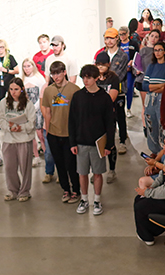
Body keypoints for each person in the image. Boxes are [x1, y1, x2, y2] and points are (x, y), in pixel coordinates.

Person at [69, 64, 114, 216]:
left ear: (96, 78)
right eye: (83, 77)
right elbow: (72, 120)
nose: (85, 80)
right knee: (82, 173)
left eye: (88, 77)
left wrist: (109, 144)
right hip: (81, 142)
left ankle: (97, 200)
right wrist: (72, 142)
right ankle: (84, 199)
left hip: (97, 143)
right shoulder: (78, 96)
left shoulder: (104, 97)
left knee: (97, 173)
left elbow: (110, 122)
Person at [42, 61, 82, 204]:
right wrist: (47, 130)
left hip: (69, 134)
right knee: (59, 164)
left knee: (71, 164)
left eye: (58, 73)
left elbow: (79, 114)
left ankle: (76, 190)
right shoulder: (49, 90)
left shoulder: (74, 89)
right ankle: (66, 189)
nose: (56, 76)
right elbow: (47, 111)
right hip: (54, 133)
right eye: (53, 74)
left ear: (64, 72)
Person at [0, 78, 37, 202]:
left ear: (22, 90)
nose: (13, 92)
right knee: (9, 167)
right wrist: (9, 127)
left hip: (24, 140)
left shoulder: (28, 104)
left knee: (25, 167)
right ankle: (13, 190)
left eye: (16, 89)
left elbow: (32, 123)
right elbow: (0, 119)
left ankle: (25, 191)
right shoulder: (4, 102)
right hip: (9, 140)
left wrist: (21, 128)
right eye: (11, 89)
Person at [100, 28, 130, 157]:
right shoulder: (101, 54)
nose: (109, 41)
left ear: (117, 38)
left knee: (119, 116)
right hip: (103, 91)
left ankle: (122, 140)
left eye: (111, 38)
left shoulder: (122, 55)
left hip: (119, 91)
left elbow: (120, 75)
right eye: (107, 38)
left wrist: (106, 78)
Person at [94, 53, 123, 184]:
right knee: (95, 144)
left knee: (109, 143)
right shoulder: (93, 77)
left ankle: (112, 169)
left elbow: (112, 96)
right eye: (98, 65)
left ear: (108, 65)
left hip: (109, 115)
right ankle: (96, 171)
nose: (100, 67)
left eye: (103, 65)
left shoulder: (113, 78)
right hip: (94, 116)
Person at [141, 42, 165, 154]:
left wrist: (153, 87)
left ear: (164, 51)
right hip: (150, 100)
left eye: (160, 50)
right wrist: (160, 86)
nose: (157, 52)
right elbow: (144, 86)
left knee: (162, 125)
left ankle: (164, 151)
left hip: (163, 99)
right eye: (155, 50)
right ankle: (154, 151)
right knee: (151, 125)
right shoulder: (151, 66)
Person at [21, 58, 48, 169]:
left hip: (37, 110)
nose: (27, 68)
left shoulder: (39, 79)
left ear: (33, 66)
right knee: (31, 135)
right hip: (27, 111)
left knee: (40, 134)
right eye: (25, 66)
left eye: (29, 66)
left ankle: (47, 156)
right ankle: (36, 157)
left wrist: (35, 107)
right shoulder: (22, 80)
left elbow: (43, 94)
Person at [118, 26, 141, 117]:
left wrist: (132, 62)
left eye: (124, 34)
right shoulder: (118, 44)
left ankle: (128, 108)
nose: (122, 36)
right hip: (120, 70)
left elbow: (137, 55)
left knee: (129, 89)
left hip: (130, 70)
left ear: (128, 33)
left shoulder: (133, 44)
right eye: (120, 34)